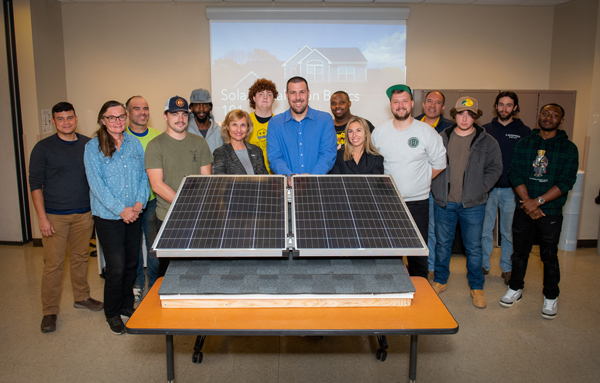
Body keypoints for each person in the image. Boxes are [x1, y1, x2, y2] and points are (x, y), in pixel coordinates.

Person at [29, 102, 103, 333]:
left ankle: (82, 297)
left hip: (84, 213)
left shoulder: (88, 145)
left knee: (81, 258)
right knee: (53, 265)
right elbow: (35, 185)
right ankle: (49, 311)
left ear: (76, 118)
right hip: (54, 216)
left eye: (69, 117)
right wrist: (42, 218)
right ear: (53, 121)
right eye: (60, 119)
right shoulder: (43, 148)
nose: (66, 122)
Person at [500, 103, 578, 320]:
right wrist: (528, 202)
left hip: (550, 212)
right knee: (520, 253)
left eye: (554, 115)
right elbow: (515, 173)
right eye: (545, 113)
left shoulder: (568, 148)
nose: (548, 117)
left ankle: (551, 295)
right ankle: (515, 288)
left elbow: (566, 181)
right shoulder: (525, 142)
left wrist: (539, 202)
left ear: (561, 120)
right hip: (524, 208)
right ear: (538, 116)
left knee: (549, 256)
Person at [84, 101, 149, 334]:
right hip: (109, 217)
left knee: (132, 263)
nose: (118, 121)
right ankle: (111, 313)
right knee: (117, 267)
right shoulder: (93, 147)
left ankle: (125, 305)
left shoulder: (134, 144)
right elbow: (97, 185)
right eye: (112, 118)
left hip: (135, 213)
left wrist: (139, 203)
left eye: (121, 116)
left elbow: (144, 176)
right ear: (103, 119)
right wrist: (121, 209)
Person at [430, 97, 502, 309]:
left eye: (469, 114)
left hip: (473, 205)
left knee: (473, 247)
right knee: (443, 245)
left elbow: (495, 169)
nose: (464, 118)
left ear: (476, 116)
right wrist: (436, 189)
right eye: (461, 113)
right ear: (454, 114)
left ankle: (476, 286)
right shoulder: (442, 137)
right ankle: (441, 280)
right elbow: (430, 163)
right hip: (445, 203)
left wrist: (479, 188)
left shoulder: (488, 141)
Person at [371, 84, 446, 279]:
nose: (400, 105)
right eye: (396, 102)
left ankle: (420, 291)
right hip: (388, 202)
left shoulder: (427, 132)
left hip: (417, 203)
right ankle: (391, 288)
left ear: (412, 104)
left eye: (404, 101)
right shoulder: (379, 132)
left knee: (417, 253)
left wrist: (418, 181)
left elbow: (439, 164)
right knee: (389, 251)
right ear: (391, 106)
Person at [145, 96, 213, 276]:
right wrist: (185, 206)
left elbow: (207, 180)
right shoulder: (155, 145)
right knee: (170, 272)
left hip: (198, 216)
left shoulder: (199, 143)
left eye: (184, 114)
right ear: (165, 116)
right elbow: (157, 185)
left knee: (199, 268)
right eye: (174, 114)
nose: (180, 118)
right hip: (168, 218)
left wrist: (195, 208)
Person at [481, 92, 531, 285]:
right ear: (496, 106)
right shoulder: (485, 130)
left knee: (508, 232)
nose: (504, 109)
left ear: (515, 108)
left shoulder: (524, 131)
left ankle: (507, 268)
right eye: (501, 105)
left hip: (512, 190)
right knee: (485, 230)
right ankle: (483, 264)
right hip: (488, 190)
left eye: (509, 105)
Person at [124, 96, 162, 301]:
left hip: (153, 200)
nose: (142, 112)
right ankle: (137, 285)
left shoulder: (158, 137)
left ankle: (155, 285)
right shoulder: (120, 137)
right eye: (136, 109)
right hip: (128, 204)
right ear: (128, 113)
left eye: (145, 108)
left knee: (154, 246)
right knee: (133, 247)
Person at [414, 91, 454, 281]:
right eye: (429, 101)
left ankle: (430, 267)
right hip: (413, 189)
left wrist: (423, 178)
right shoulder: (412, 124)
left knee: (432, 230)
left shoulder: (450, 129)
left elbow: (444, 161)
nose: (432, 105)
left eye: (437, 103)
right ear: (423, 104)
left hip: (436, 187)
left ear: (443, 107)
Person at [267, 76, 337, 181]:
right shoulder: (275, 123)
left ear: (308, 93)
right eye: (293, 93)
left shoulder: (325, 120)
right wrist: (290, 177)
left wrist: (312, 177)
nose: (298, 97)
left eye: (302, 92)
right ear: (287, 95)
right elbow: (275, 157)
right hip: (287, 188)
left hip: (318, 186)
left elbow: (327, 154)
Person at [213, 110, 268, 175]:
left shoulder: (256, 151)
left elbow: (265, 179)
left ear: (248, 127)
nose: (239, 129)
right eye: (234, 125)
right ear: (227, 127)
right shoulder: (220, 153)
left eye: (243, 125)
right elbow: (221, 181)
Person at [247, 78, 278, 173]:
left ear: (273, 99)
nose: (265, 97)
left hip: (276, 177)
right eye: (261, 94)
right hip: (250, 178)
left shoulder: (279, 123)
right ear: (254, 98)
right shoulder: (245, 122)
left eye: (269, 94)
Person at [186, 88, 223, 153]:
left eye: (205, 105)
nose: (201, 109)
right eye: (197, 105)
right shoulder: (185, 131)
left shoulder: (220, 132)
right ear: (191, 108)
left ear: (211, 107)